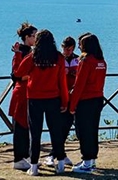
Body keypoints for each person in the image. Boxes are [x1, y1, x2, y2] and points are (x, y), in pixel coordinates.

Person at [15, 29, 70, 175]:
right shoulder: (58, 57)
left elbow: (19, 73)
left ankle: (33, 166)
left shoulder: (33, 57)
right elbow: (62, 82)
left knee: (35, 132)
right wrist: (65, 101)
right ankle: (61, 163)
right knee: (56, 132)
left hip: (34, 99)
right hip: (53, 98)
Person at [69, 33, 108, 174]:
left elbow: (79, 85)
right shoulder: (101, 62)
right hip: (98, 98)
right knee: (92, 130)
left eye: (80, 44)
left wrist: (72, 106)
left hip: (85, 100)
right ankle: (91, 159)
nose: (78, 46)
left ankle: (87, 161)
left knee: (83, 131)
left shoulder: (85, 61)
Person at [44, 36, 79, 168]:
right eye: (64, 48)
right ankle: (56, 154)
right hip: (58, 96)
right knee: (56, 127)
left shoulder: (78, 59)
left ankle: (58, 154)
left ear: (73, 48)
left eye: (69, 49)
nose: (66, 51)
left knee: (67, 126)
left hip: (72, 96)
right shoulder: (58, 58)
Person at [9, 22, 37, 171]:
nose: (36, 38)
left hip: (29, 92)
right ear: (27, 37)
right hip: (21, 93)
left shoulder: (29, 51)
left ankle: (24, 156)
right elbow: (16, 75)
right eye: (34, 36)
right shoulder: (20, 52)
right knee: (21, 126)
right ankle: (19, 158)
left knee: (27, 126)